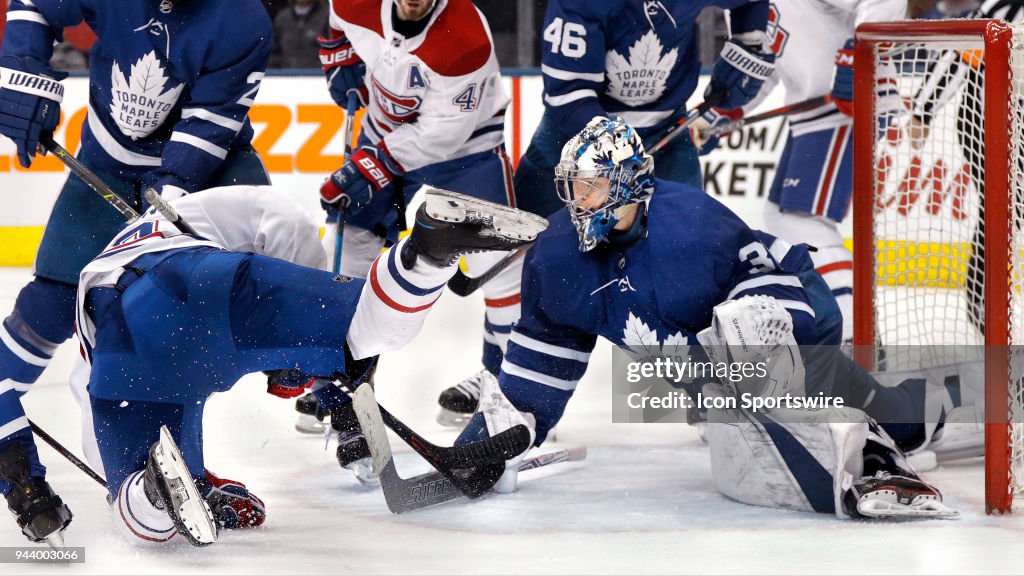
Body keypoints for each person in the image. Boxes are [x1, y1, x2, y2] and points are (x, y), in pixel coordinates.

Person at [456, 117, 967, 519]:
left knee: (802, 379)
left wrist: (769, 336)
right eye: (572, 186)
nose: (576, 201)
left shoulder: (692, 225)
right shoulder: (558, 255)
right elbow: (543, 362)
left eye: (590, 187)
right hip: (714, 370)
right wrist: (502, 431)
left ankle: (899, 441)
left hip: (794, 311)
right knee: (737, 408)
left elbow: (775, 281)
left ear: (627, 185)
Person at [74, 185, 547, 546]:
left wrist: (125, 473)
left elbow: (91, 399)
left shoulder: (106, 267)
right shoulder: (198, 211)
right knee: (372, 328)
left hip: (126, 346)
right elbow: (279, 217)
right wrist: (323, 356)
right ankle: (427, 251)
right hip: (205, 280)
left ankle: (153, 493)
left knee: (139, 521)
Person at [0, 0, 273, 545]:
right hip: (105, 161)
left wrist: (168, 211)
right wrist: (22, 68)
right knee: (50, 305)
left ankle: (322, 393)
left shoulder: (242, 19)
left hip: (208, 169)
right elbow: (34, 5)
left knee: (214, 310)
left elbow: (207, 126)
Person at [436, 0, 779, 427]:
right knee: (519, 250)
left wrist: (747, 44)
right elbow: (566, 94)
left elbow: (752, 5)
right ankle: (497, 375)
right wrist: (612, 154)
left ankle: (711, 387)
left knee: (691, 256)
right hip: (574, 139)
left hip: (666, 133)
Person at [300, 0, 523, 437]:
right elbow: (336, 20)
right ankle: (342, 382)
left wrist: (374, 164)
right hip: (382, 132)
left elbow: (442, 135)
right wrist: (339, 53)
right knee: (348, 253)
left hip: (465, 149)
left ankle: (511, 386)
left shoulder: (464, 37)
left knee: (501, 271)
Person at [690, 0, 907, 343]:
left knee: (803, 222)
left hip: (852, 102)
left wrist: (860, 54)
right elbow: (766, 66)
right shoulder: (751, 8)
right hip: (815, 113)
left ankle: (854, 335)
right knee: (780, 218)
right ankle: (849, 328)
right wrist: (723, 113)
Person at [269, 0, 329, 70]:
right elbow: (274, 52)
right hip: (285, 75)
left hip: (318, 75)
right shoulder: (282, 17)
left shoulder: (327, 16)